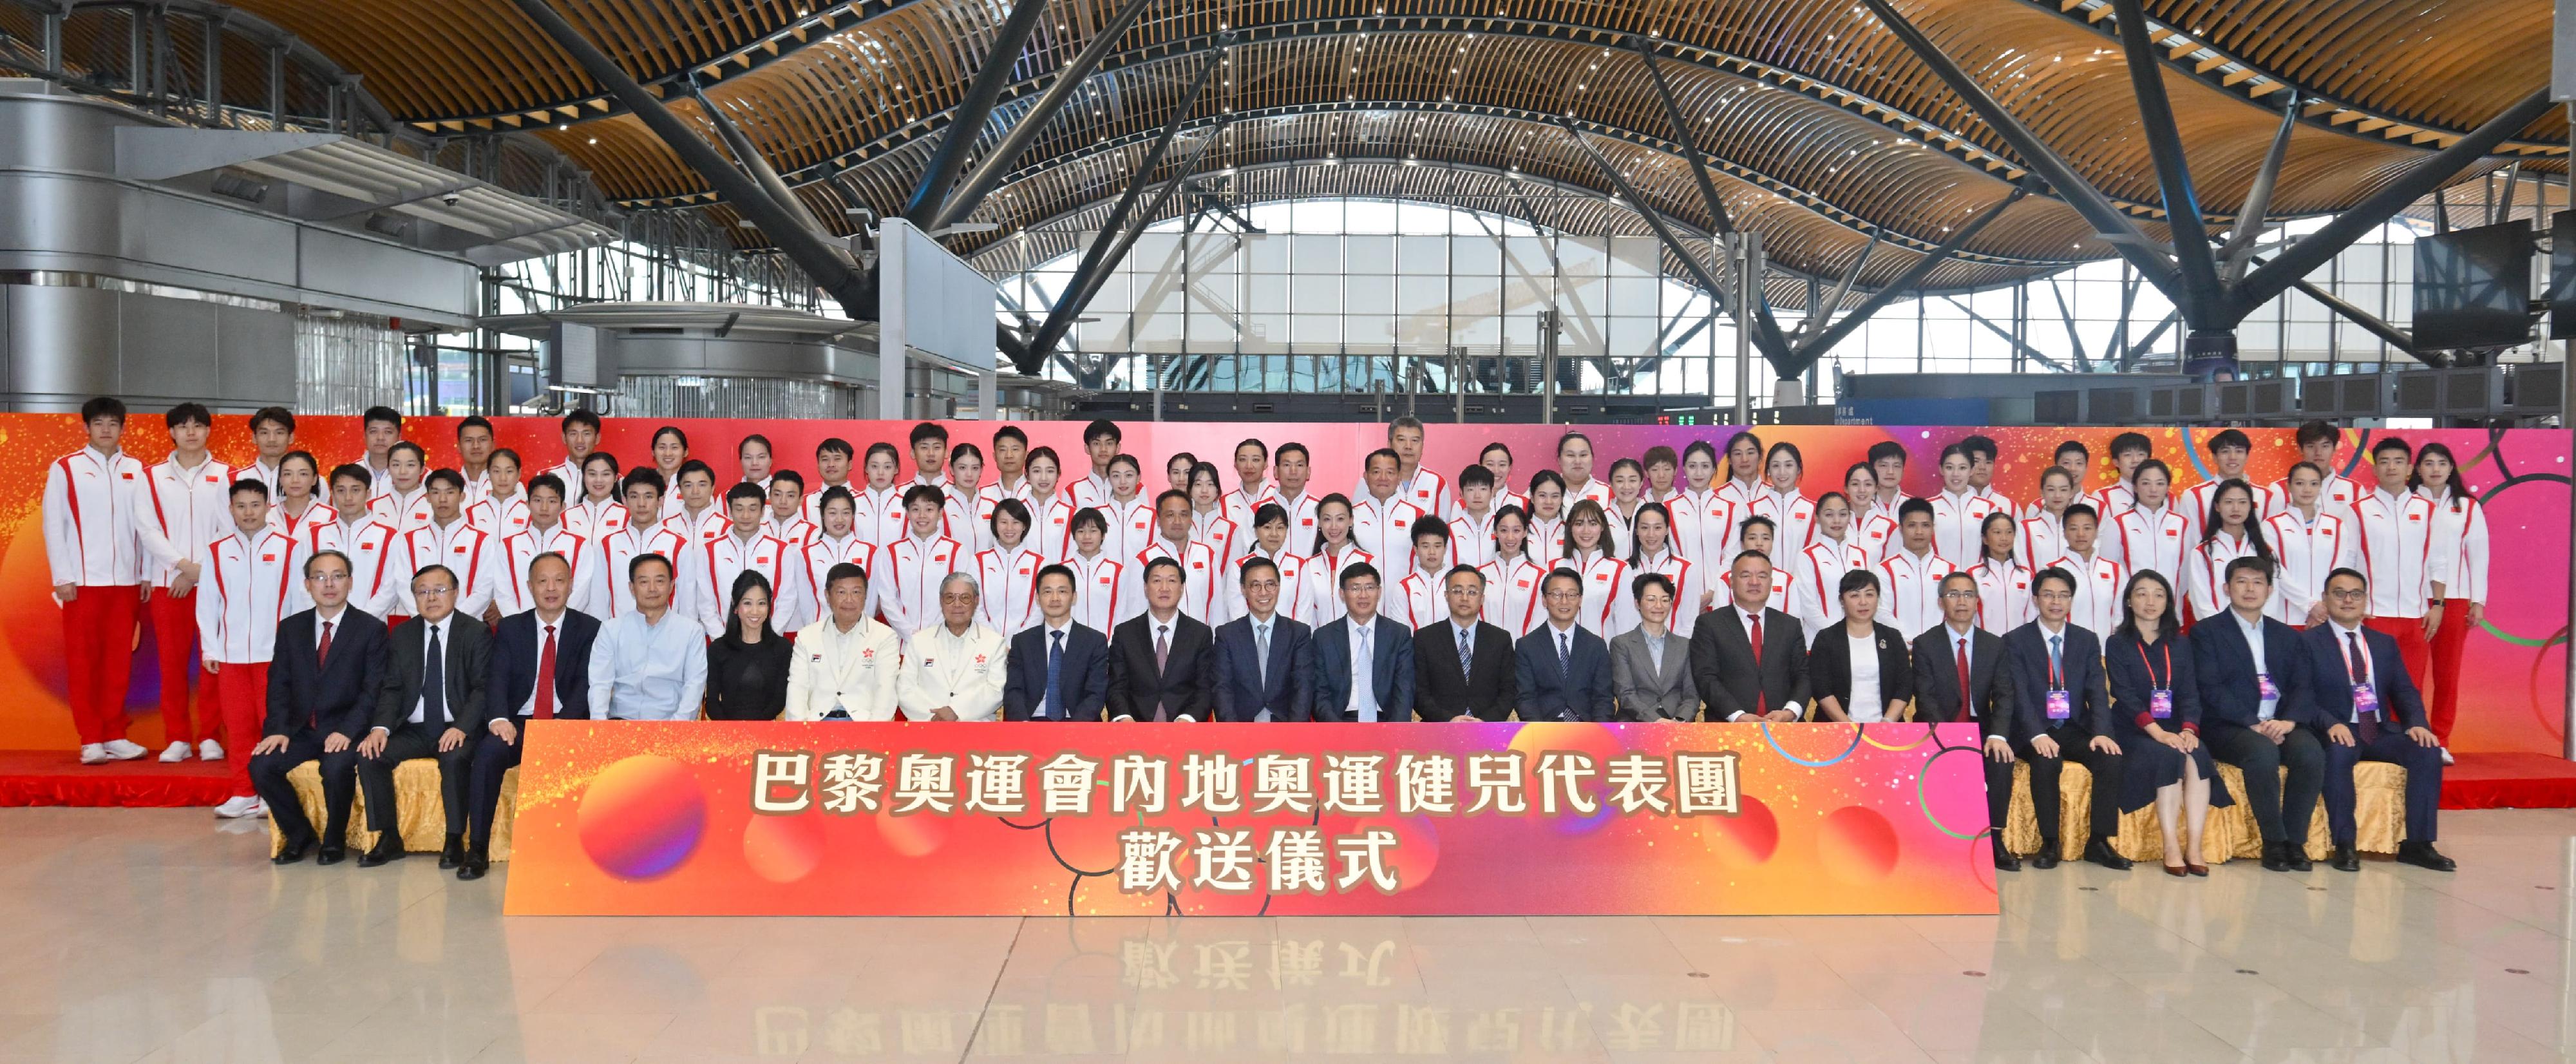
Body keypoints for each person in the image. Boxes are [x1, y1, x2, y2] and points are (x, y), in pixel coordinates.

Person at [2304, 567, 2452, 872]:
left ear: (2365, 600)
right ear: (2325, 599)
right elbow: (2301, 696)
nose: (2348, 600)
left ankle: (2419, 845)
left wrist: (2417, 723)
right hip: (2337, 728)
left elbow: (2404, 690)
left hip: (2379, 729)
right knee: (2338, 754)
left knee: (2427, 753)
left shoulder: (2383, 643)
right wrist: (2330, 723)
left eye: (2356, 594)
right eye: (2339, 593)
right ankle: (2345, 845)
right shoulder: (2308, 643)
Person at [464, 552, 598, 879]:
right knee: (488, 753)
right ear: (530, 586)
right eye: (542, 581)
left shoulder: (590, 628)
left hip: (565, 720)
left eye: (559, 580)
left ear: (570, 586)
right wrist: (498, 719)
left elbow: (587, 684)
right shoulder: (512, 628)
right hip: (519, 723)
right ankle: (477, 849)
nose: (551, 588)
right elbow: (497, 678)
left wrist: (564, 724)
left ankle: (573, 850)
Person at [250, 550, 388, 865]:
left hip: (346, 728)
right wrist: (278, 731)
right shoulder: (291, 628)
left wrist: (348, 730)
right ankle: (299, 834)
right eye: (320, 577)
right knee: (262, 765)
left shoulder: (370, 629)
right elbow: (279, 685)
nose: (329, 584)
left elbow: (373, 691)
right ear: (308, 584)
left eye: (338, 576)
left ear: (350, 582)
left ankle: (334, 840)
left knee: (337, 767)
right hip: (301, 729)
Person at [2193, 556, 2323, 873]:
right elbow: (2211, 688)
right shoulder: (2206, 632)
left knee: (2310, 753)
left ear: (2269, 590)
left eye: (2258, 582)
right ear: (2227, 588)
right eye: (2241, 581)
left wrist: (2288, 721)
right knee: (2262, 753)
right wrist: (2253, 723)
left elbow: (2303, 685)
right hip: (2231, 725)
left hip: (2280, 721)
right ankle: (2274, 842)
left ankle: (2296, 842)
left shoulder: (2288, 636)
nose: (2249, 589)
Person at [355, 566, 488, 868]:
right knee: (370, 755)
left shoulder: (475, 632)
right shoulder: (403, 634)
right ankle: (388, 837)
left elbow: (483, 689)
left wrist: (462, 727)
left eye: (440, 590)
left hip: (454, 726)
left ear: (456, 593)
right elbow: (392, 688)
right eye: (423, 592)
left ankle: (454, 839)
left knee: (454, 759)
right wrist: (380, 728)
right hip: (413, 728)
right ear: (413, 597)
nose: (431, 598)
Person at [1998, 567, 2130, 870]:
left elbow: (2097, 690)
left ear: (2071, 601)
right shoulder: (2015, 640)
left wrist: (2102, 732)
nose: (2055, 602)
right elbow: (2016, 693)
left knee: (2110, 758)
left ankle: (2099, 841)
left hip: (2073, 726)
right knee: (2046, 761)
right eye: (2048, 595)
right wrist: (2036, 735)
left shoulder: (2086, 640)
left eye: (2063, 596)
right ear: (2036, 599)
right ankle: (2050, 842)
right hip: (2031, 730)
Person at [45, 396, 150, 764]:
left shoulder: (137, 469)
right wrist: (63, 575)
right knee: (84, 662)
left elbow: (146, 527)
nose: (106, 430)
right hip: (83, 583)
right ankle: (90, 738)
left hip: (126, 583)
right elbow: (53, 525)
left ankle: (114, 734)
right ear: (86, 427)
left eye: (113, 424)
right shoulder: (66, 468)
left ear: (123, 428)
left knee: (118, 662)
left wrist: (145, 573)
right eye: (99, 423)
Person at [2105, 571, 2224, 876]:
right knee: (2169, 756)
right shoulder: (2117, 643)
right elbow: (2124, 694)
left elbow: (2190, 693)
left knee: (2197, 756)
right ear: (2129, 601)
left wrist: (2188, 729)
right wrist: (2158, 733)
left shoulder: (2180, 644)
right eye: (2141, 594)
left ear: (2168, 602)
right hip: (2134, 727)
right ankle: (2171, 845)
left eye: (2158, 594)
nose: (2150, 601)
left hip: (2175, 725)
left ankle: (2194, 846)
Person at [196, 479, 303, 817]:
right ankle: (243, 792)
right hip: (231, 656)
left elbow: (296, 603)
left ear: (268, 506)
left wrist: (294, 652)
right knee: (239, 727)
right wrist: (211, 649)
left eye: (255, 505)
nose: (248, 512)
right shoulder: (217, 550)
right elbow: (208, 603)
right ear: (231, 510)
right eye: (241, 506)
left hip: (274, 657)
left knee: (272, 727)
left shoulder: (290, 547)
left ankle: (271, 794)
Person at [133, 403, 228, 763]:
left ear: (208, 431)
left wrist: (202, 570)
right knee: (171, 663)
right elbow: (147, 528)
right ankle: (177, 737)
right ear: (171, 432)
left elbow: (231, 528)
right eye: (183, 426)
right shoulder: (152, 476)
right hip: (167, 582)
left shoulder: (227, 475)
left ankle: (209, 737)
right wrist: (181, 567)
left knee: (213, 661)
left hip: (215, 583)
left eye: (199, 426)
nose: (191, 432)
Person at [2350, 437, 2438, 696]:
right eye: (2384, 462)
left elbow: (2438, 563)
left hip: (2416, 615)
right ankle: (2372, 737)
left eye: (2398, 462)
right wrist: (2355, 606)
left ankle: (2409, 736)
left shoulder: (2428, 510)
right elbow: (2347, 563)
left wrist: (2438, 606)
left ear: (2410, 469)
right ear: (2375, 469)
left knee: (2411, 688)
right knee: (2372, 686)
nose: (2391, 468)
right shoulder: (2358, 510)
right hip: (2374, 614)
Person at [2416, 442, 2485, 758]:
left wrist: (2478, 600)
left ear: (2451, 468)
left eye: (2442, 462)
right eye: (2428, 463)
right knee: (2407, 674)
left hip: (2455, 599)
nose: (2435, 469)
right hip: (2412, 599)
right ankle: (2409, 737)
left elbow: (2478, 555)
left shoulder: (2468, 506)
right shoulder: (2406, 502)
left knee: (2447, 674)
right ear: (2417, 469)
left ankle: (2441, 740)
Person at [1689, 551, 1808, 722]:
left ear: (1771, 582)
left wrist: (1790, 712)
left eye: (1762, 576)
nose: (1754, 582)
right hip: (1727, 728)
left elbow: (1803, 675)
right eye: (1746, 575)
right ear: (1731, 582)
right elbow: (1706, 677)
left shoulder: (1790, 625)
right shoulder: (1709, 624)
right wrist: (1737, 716)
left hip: (1784, 728)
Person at [587, 555, 707, 720]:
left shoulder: (691, 632)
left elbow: (694, 686)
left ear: (672, 586)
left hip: (669, 726)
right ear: (632, 588)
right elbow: (599, 684)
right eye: (644, 582)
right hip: (620, 724)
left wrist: (675, 731)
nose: (652, 589)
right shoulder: (611, 630)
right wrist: (600, 728)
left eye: (660, 581)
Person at [782, 563, 902, 721]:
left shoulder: (884, 637)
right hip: (817, 724)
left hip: (864, 725)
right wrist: (804, 734)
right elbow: (797, 689)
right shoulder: (807, 637)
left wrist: (874, 735)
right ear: (827, 596)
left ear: (866, 595)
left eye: (856, 592)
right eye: (841, 592)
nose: (849, 599)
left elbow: (886, 693)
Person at [681, 482, 799, 640]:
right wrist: (722, 640)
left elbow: (786, 600)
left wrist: (769, 639)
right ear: (730, 511)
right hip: (723, 642)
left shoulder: (781, 550)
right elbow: (705, 602)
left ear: (763, 511)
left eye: (752, 508)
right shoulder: (710, 551)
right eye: (739, 508)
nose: (746, 516)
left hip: (769, 644)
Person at [1106, 558, 1216, 722]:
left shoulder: (1200, 634)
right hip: (1134, 729)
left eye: (1172, 581)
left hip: (1186, 731)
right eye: (1157, 580)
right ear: (1145, 587)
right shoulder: (1125, 634)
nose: (1164, 588)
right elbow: (1117, 686)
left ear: (1182, 588)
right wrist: (1124, 718)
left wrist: (1188, 718)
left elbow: (1205, 688)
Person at [1211, 557, 1315, 722]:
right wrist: (1232, 733)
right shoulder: (1227, 635)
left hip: (1286, 728)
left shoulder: (1298, 634)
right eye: (1255, 585)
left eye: (1270, 584)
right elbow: (1222, 689)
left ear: (1278, 588)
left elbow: (1303, 687)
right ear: (1244, 590)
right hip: (1241, 730)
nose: (1264, 592)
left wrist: (1296, 733)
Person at [1004, 565, 1110, 721]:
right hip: (1031, 722)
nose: (1055, 598)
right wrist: (1023, 726)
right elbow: (1014, 691)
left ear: (1074, 597)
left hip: (1078, 723)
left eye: (1062, 591)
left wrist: (1073, 730)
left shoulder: (1094, 641)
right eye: (1047, 592)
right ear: (1038, 599)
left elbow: (1095, 694)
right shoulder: (1022, 642)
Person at [391, 470, 497, 625]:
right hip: (421, 626)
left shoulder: (482, 540)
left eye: (450, 492)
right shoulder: (411, 540)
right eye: (436, 492)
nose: (442, 499)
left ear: (462, 496)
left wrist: (453, 621)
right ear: (427, 497)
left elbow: (485, 589)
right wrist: (426, 617)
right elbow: (403, 584)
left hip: (467, 626)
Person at [897, 573, 1008, 722]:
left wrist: (955, 711)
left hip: (976, 729)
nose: (957, 604)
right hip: (927, 727)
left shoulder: (994, 643)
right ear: (941, 601)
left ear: (976, 601)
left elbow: (995, 690)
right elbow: (905, 689)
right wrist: (936, 717)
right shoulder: (919, 641)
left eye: (965, 598)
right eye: (950, 597)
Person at [1311, 563, 1415, 721]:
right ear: (1342, 594)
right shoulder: (1324, 637)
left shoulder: (1399, 635)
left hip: (1386, 723)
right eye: (1355, 589)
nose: (1363, 595)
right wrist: (1336, 730)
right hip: (1341, 722)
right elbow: (1320, 693)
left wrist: (1396, 732)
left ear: (1379, 592)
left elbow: (1404, 689)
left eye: (1370, 588)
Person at [1414, 565, 1519, 722]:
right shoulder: (1425, 638)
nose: (1464, 598)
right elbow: (1419, 692)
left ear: (1482, 598)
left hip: (1488, 731)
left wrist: (1485, 722)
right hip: (1439, 729)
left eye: (1472, 592)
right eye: (1457, 591)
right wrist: (1448, 720)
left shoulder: (1500, 639)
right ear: (1446, 595)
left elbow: (1508, 691)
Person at [1811, 569, 1913, 724]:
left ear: (1878, 598)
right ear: (1842, 600)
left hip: (1887, 730)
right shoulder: (1826, 639)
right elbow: (1821, 688)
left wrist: (1887, 723)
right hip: (1836, 729)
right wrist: (1848, 727)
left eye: (1869, 594)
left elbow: (1904, 685)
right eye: (1854, 595)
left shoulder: (1893, 638)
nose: (1863, 602)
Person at [2262, 461, 2354, 627]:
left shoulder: (2337, 526)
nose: (2307, 490)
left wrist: (2323, 607)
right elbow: (2275, 571)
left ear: (2321, 487)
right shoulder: (2272, 526)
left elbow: (2340, 570)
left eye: (2314, 484)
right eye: (2299, 483)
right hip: (2285, 618)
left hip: (2326, 618)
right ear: (2288, 486)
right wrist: (2309, 605)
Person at [1517, 569, 1615, 722]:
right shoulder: (1527, 645)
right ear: (1544, 600)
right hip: (1545, 728)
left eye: (1571, 595)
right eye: (1556, 594)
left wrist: (1598, 733)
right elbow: (1526, 698)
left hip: (1586, 728)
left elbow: (1603, 698)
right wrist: (1537, 732)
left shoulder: (1596, 646)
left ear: (1580, 600)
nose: (1564, 601)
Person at [307, 464, 402, 620]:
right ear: (333, 494)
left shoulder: (389, 536)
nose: (348, 497)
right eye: (341, 491)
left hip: (370, 626)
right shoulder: (316, 535)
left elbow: (391, 587)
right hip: (323, 624)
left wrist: (360, 620)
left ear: (368, 494)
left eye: (355, 490)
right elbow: (303, 583)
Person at [497, 475, 600, 617]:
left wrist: (555, 621)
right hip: (519, 629)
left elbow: (581, 593)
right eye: (538, 500)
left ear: (563, 506)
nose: (544, 508)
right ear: (527, 504)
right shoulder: (508, 545)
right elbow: (503, 593)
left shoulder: (580, 546)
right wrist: (520, 624)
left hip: (565, 628)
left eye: (552, 501)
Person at [880, 484, 965, 641]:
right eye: (915, 509)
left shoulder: (956, 551)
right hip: (903, 643)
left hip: (943, 640)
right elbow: (887, 599)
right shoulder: (892, 552)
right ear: (907, 513)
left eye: (929, 509)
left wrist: (933, 632)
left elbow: (957, 597)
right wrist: (910, 633)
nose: (922, 516)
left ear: (940, 513)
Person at [706, 571, 793, 721]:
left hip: (766, 733)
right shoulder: (718, 649)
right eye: (747, 603)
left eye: (762, 603)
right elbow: (712, 702)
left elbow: (779, 700)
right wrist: (732, 730)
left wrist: (753, 730)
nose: (755, 611)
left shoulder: (783, 648)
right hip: (727, 733)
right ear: (735, 606)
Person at [2184, 479, 2273, 624]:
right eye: (2229, 502)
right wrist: (2223, 631)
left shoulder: (2265, 550)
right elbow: (2201, 602)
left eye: (2243, 502)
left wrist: (2258, 628)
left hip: (2259, 631)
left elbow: (2272, 598)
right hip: (2217, 634)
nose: (2236, 508)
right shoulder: (2202, 552)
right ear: (2217, 507)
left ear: (2251, 507)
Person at [1610, 573, 1697, 722]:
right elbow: (1626, 694)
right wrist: (1656, 721)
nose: (1659, 606)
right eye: (1651, 599)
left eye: (1665, 600)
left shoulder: (1685, 645)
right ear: (1637, 603)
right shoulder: (1622, 644)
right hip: (1636, 723)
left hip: (1678, 725)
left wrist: (1680, 720)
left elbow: (1691, 694)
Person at [1135, 489, 1222, 622]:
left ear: (1192, 519)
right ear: (1158, 519)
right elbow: (1136, 612)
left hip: (1200, 640)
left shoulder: (1207, 555)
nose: (1177, 521)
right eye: (1170, 515)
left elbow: (1217, 607)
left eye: (1184, 515)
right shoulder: (1143, 559)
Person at [1877, 499, 1956, 641]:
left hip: (1940, 649)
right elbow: (1881, 612)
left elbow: (1956, 611)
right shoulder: (1884, 570)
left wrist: (1934, 645)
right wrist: (1909, 642)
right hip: (1900, 650)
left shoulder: (1951, 571)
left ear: (1933, 528)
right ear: (1901, 529)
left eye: (1925, 525)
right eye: (1912, 525)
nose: (1919, 532)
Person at [2179, 430, 2276, 546]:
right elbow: (2189, 541)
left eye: (2239, 451)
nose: (2233, 457)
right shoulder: (2194, 495)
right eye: (2225, 451)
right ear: (2215, 457)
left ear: (2247, 456)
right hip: (2209, 561)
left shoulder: (2266, 496)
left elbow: (2271, 542)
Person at [1795, 491, 1869, 643]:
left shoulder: (1861, 555)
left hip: (1858, 641)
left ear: (1850, 517)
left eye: (1843, 514)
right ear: (1817, 518)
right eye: (1829, 515)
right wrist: (1835, 636)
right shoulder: (1808, 556)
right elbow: (1808, 606)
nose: (1837, 521)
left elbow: (1869, 598)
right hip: (1819, 641)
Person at [2045, 504, 2126, 636]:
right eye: (2074, 529)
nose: (2081, 534)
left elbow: (2120, 616)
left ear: (2096, 531)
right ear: (2064, 533)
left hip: (2108, 652)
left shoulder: (2115, 571)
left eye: (2087, 528)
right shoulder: (2052, 571)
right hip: (2068, 652)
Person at [1221, 504, 1307, 627]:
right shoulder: (1239, 567)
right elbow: (1237, 614)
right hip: (1248, 640)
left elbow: (1304, 613)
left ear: (1287, 531)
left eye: (1280, 528)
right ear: (1256, 531)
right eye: (1267, 527)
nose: (1274, 534)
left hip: (1291, 641)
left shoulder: (1299, 566)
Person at [1560, 500, 1636, 638]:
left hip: (1602, 655)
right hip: (1559, 656)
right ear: (1570, 527)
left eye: (1593, 524)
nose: (1586, 531)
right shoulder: (1554, 567)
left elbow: (1627, 624)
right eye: (1579, 524)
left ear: (1602, 527)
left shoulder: (1620, 570)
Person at [1627, 502, 1704, 637]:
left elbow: (1690, 621)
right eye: (1644, 528)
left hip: (1674, 650)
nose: (1651, 535)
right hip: (1632, 650)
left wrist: (1677, 651)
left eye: (1658, 528)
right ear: (1636, 531)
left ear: (1667, 529)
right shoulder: (1623, 569)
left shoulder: (1686, 569)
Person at [1298, 494, 1374, 629]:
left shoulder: (1368, 562)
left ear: (1351, 521)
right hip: (1320, 645)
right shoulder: (1308, 566)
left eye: (1340, 519)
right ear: (1320, 523)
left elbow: (1375, 612)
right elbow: (1305, 616)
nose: (1334, 527)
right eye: (1327, 519)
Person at [2106, 459, 2186, 585]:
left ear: (2168, 488)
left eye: (2160, 484)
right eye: (2146, 483)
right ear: (2135, 487)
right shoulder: (2118, 523)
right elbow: (2109, 568)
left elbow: (2186, 571)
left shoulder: (2182, 524)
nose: (2153, 489)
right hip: (2131, 601)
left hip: (2172, 602)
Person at [972, 500, 1046, 634]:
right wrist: (993, 640)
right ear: (995, 524)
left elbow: (1040, 609)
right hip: (985, 642)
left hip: (1024, 644)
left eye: (1016, 522)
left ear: (1024, 526)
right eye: (1004, 522)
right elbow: (974, 604)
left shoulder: (1039, 563)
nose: (1009, 528)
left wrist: (1018, 642)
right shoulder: (978, 561)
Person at [2269, 419, 2362, 520]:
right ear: (2300, 449)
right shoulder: (2279, 490)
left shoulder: (2354, 490)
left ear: (2334, 448)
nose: (2318, 452)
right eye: (2311, 446)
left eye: (2325, 446)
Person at [1350, 448, 1432, 564]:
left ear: (1399, 477)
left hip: (1406, 583)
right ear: (1366, 477)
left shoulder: (1417, 516)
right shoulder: (1351, 516)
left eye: (1390, 472)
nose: (1383, 478)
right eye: (1376, 472)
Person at [1064, 508, 1135, 633]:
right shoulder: (1061, 571)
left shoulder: (1118, 572)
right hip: (1069, 646)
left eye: (1093, 531)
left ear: (1103, 535)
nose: (1087, 537)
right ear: (1074, 536)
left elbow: (1123, 613)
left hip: (1106, 646)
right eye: (1081, 531)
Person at [1479, 506, 1546, 638]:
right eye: (1504, 530)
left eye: (1516, 530)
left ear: (1525, 532)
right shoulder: (1480, 575)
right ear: (1496, 532)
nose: (1510, 537)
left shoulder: (1539, 577)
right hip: (1486, 654)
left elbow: (1541, 621)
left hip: (1523, 654)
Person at [1927, 444, 2000, 564]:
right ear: (1941, 469)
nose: (1956, 474)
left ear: (1972, 470)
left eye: (1962, 468)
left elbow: (1996, 550)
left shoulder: (1989, 508)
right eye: (1950, 468)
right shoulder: (1928, 508)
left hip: (1978, 581)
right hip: (1940, 582)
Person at [1668, 440, 1737, 564]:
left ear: (1713, 469)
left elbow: (1733, 555)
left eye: (1705, 466)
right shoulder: (1669, 508)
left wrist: (1721, 582)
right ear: (1684, 469)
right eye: (1692, 466)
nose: (1699, 473)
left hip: (1721, 583)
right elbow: (1670, 554)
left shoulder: (1729, 508)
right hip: (1681, 583)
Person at [1968, 512, 2032, 635]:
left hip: (2019, 648)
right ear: (1985, 539)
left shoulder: (2027, 575)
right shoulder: (1973, 575)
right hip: (1987, 646)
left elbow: (2032, 616)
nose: (2004, 538)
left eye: (2009, 532)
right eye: (1997, 532)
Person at [1388, 517, 1452, 629]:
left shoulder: (1456, 584)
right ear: (1416, 550)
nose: (1432, 552)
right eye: (1425, 546)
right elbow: (1401, 633)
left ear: (1445, 548)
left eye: (1437, 546)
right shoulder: (1404, 588)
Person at [1751, 442, 1815, 553]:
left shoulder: (1814, 510)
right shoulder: (1752, 509)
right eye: (1776, 466)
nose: (1782, 472)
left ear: (1799, 469)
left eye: (1789, 465)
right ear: (1768, 471)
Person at [2015, 466, 2078, 574]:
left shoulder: (2081, 529)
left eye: (2063, 490)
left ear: (2071, 493)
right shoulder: (2025, 528)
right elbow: (2021, 568)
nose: (2057, 495)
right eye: (2051, 490)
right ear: (2042, 492)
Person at [1094, 453, 1154, 560]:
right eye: (1116, 476)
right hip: (1106, 576)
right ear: (1109, 478)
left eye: (1129, 475)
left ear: (1138, 478)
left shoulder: (1153, 516)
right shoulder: (1096, 515)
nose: (1123, 481)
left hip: (1142, 576)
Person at [852, 442, 909, 548]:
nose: (880, 472)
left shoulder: (906, 505)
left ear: (896, 469)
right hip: (859, 564)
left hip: (895, 564)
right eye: (874, 466)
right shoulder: (852, 503)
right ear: (866, 468)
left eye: (887, 467)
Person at [368, 441, 432, 534]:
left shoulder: (435, 507)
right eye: (396, 465)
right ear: (388, 468)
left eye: (410, 465)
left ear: (422, 469)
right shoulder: (372, 507)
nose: (402, 472)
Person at [1184, 462, 1240, 564]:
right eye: (1198, 484)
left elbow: (1234, 569)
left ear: (1217, 490)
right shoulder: (1180, 525)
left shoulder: (1231, 530)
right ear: (1189, 490)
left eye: (1210, 484)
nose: (1204, 490)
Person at [1447, 464, 1501, 569]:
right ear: (1461, 493)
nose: (1477, 495)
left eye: (1483, 489)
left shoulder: (1503, 527)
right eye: (1471, 489)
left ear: (1492, 493)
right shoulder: (1450, 531)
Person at [663, 460, 727, 547]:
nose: (695, 491)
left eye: (702, 485)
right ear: (680, 490)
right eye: (688, 486)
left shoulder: (728, 528)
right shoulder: (666, 527)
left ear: (712, 489)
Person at [2090, 432, 2153, 519]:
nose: (2135, 460)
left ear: (2149, 460)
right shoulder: (2102, 497)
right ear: (2116, 462)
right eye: (2128, 455)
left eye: (2141, 454)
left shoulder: (2167, 497)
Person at [565, 452, 625, 542]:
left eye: (606, 474)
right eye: (592, 474)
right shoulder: (566, 517)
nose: (599, 480)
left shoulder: (627, 516)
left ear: (616, 478)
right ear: (584, 477)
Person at [1269, 441, 1322, 540]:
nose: (1293, 471)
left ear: (1308, 472)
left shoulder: (1321, 509)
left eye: (1300, 465)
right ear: (1276, 472)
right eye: (1287, 465)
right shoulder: (1258, 509)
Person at [234, 406, 295, 490]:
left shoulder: (307, 480)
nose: (272, 439)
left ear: (291, 438)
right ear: (254, 438)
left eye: (279, 433)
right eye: (264, 433)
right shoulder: (236, 478)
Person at [1068, 419, 1122, 511]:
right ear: (1087, 448)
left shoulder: (1134, 487)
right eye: (1096, 444)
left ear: (1118, 448)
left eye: (1109, 443)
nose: (1103, 449)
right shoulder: (1073, 491)